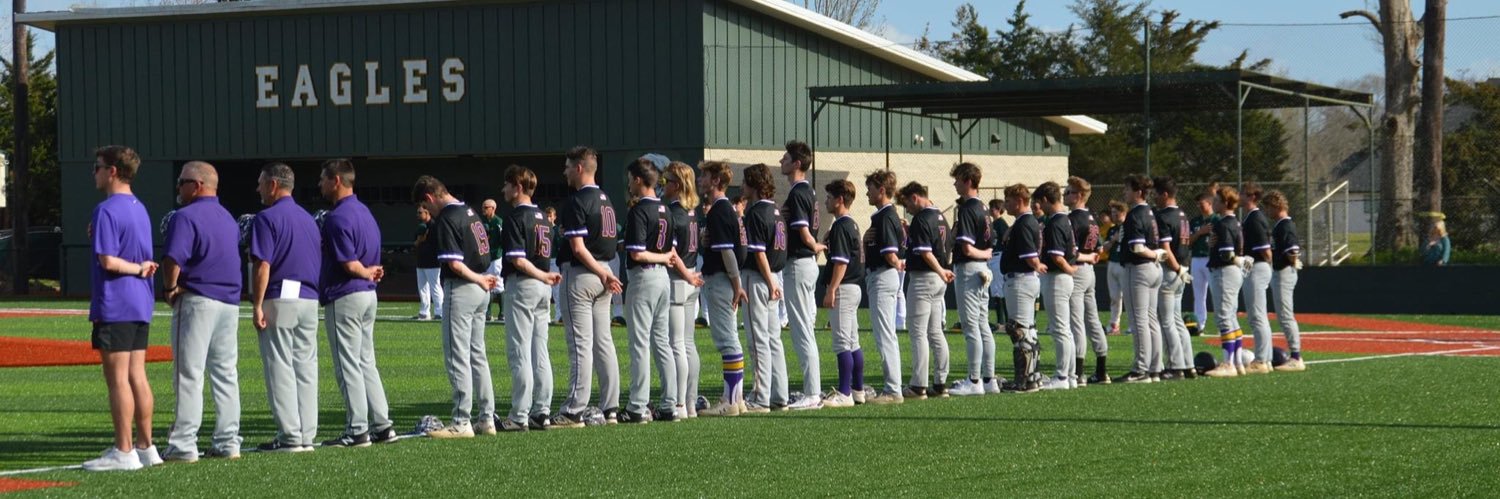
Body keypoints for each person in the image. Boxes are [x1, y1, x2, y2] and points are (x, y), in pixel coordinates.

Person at [83, 145, 161, 471]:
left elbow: (108, 260)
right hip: (140, 301)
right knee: (137, 376)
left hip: (116, 301)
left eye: (98, 166)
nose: (95, 172)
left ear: (112, 170)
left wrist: (138, 267)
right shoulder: (138, 207)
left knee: (117, 380)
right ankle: (145, 446)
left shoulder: (107, 209)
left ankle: (124, 450)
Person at [159, 161, 243, 463]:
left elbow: (172, 259)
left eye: (182, 182)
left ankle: (183, 444)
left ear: (197, 185)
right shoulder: (228, 218)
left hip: (197, 300)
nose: (178, 188)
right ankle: (228, 441)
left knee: (189, 373)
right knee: (225, 373)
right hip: (229, 303)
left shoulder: (186, 215)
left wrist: (169, 289)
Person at [317, 159, 396, 446]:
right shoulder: (365, 212)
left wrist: (363, 271)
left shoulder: (337, 217)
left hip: (346, 292)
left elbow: (350, 263)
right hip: (368, 294)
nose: (320, 184)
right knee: (365, 362)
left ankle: (357, 429)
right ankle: (382, 425)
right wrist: (369, 272)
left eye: (323, 179)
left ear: (336, 180)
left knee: (348, 364)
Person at [413, 175, 498, 437]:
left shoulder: (448, 216)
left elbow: (454, 264)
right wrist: (483, 280)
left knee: (457, 356)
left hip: (463, 287)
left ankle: (462, 421)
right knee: (477, 355)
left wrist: (478, 279)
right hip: (481, 288)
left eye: (426, 206)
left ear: (429, 198)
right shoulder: (471, 210)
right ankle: (486, 419)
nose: (428, 212)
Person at [249, 162, 323, 451]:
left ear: (273, 185)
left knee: (279, 366)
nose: (258, 188)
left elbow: (262, 264)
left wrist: (256, 304)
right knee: (306, 367)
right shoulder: (308, 219)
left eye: (260, 182)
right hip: (308, 298)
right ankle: (307, 433)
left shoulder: (266, 218)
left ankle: (290, 436)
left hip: (280, 296)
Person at [620, 159, 697, 423]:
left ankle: (637, 406)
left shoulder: (640, 210)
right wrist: (674, 265)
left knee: (641, 343)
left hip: (645, 277)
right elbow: (671, 250)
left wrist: (662, 259)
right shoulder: (666, 209)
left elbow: (638, 253)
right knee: (662, 342)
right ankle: (668, 404)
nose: (629, 183)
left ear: (640, 180)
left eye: (631, 179)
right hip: (664, 279)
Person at [553, 147, 624, 427]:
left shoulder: (577, 201)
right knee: (603, 342)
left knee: (581, 345)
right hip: (604, 271)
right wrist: (605, 274)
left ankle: (574, 409)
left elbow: (579, 249)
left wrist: (601, 273)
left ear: (580, 168)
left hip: (584, 274)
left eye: (569, 166)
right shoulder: (606, 199)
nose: (565, 171)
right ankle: (611, 407)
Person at [497, 165, 562, 432]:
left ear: (518, 186)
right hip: (541, 287)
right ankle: (541, 411)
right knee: (539, 350)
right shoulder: (543, 217)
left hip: (525, 284)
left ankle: (520, 414)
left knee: (519, 351)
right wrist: (545, 277)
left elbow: (517, 259)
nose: (504, 189)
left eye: (507, 184)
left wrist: (542, 276)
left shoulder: (516, 217)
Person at [697, 160, 750, 416]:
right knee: (732, 339)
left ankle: (730, 400)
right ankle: (736, 398)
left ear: (716, 180)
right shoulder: (727, 209)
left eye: (705, 175)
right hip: (726, 278)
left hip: (722, 279)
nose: (700, 179)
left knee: (727, 340)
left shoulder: (719, 209)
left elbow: (728, 252)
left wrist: (737, 284)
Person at [739, 163, 790, 412]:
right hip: (774, 276)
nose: (743, 186)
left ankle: (761, 396)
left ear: (755, 185)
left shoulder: (757, 212)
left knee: (758, 339)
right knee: (773, 339)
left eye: (746, 182)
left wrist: (770, 281)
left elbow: (758, 254)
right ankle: (779, 394)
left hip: (759, 279)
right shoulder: (776, 212)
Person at [779, 140, 825, 410]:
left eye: (786, 158)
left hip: (799, 262)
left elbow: (805, 233)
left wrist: (813, 244)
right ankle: (813, 390)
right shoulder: (808, 191)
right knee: (804, 328)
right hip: (806, 264)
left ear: (797, 164)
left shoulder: (798, 193)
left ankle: (812, 393)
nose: (781, 161)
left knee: (801, 330)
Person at [945, 163, 997, 397]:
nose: (955, 183)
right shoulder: (985, 208)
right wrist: (985, 254)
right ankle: (989, 379)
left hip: (969, 269)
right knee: (983, 325)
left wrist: (983, 253)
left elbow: (966, 248)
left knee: (971, 326)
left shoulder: (968, 208)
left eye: (957, 179)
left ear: (967, 180)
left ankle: (974, 380)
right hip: (982, 269)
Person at [1113, 175, 1165, 384]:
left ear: (1139, 192)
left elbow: (1137, 247)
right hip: (1153, 270)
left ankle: (1140, 368)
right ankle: (1155, 367)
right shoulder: (1150, 213)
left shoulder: (1135, 214)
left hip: (1139, 269)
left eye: (1128, 189)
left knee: (1138, 320)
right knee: (1151, 320)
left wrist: (1154, 254)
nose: (1124, 192)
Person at [663, 162, 704, 418]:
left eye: (667, 181)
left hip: (680, 279)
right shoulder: (691, 212)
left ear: (677, 184)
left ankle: (679, 403)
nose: (663, 185)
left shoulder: (674, 213)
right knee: (688, 344)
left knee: (677, 344)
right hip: (690, 280)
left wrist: (686, 273)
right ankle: (689, 403)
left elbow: (672, 253)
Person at [862, 171, 906, 405]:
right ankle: (893, 386)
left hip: (882, 275)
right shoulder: (883, 215)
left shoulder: (886, 215)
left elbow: (890, 253)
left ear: (881, 190)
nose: (867, 192)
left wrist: (896, 262)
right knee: (885, 333)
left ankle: (892, 389)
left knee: (885, 334)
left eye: (870, 187)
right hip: (881, 276)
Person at [819, 180, 863, 409]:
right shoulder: (851, 225)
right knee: (852, 341)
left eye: (829, 197)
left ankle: (845, 393)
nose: (826, 201)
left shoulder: (842, 226)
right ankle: (857, 390)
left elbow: (841, 263)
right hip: (854, 287)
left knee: (842, 342)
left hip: (844, 286)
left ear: (839, 200)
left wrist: (832, 289)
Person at [1028, 182, 1075, 390]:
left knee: (1060, 329)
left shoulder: (1056, 221)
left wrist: (1069, 269)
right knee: (1066, 329)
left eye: (1040, 202)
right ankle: (1071, 375)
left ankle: (1063, 376)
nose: (1039, 207)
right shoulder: (1064, 219)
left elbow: (1056, 256)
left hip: (1057, 278)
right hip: (1062, 278)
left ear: (1046, 200)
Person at [999, 183, 1045, 393]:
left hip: (1021, 279)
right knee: (1027, 329)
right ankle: (1032, 377)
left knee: (1019, 329)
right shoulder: (1025, 221)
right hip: (1024, 279)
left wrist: (1036, 265)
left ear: (1018, 201)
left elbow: (1029, 255)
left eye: (1008, 201)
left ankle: (1023, 381)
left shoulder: (1025, 222)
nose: (1005, 204)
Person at [1064, 177, 1108, 386]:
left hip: (1078, 269)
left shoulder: (1073, 219)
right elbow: (1099, 249)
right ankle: (1101, 369)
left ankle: (1079, 372)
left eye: (1069, 192)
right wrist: (1089, 256)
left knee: (1076, 322)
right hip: (1090, 271)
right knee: (1093, 319)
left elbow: (1070, 252)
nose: (1065, 195)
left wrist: (1083, 257)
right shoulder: (1091, 218)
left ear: (1079, 196)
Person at [1204, 186, 1250, 378]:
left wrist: (1216, 248)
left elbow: (1226, 253)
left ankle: (1228, 363)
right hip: (1233, 272)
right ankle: (1238, 362)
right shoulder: (1235, 222)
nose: (1213, 203)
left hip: (1224, 271)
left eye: (1216, 200)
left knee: (1223, 316)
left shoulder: (1223, 223)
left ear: (1225, 203)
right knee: (1231, 316)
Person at [1152, 177, 1195, 381]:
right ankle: (1188, 365)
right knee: (1177, 321)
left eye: (1156, 194)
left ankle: (1175, 366)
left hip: (1172, 271)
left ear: (1165, 195)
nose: (1155, 198)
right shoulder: (1183, 215)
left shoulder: (1163, 216)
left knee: (1166, 321)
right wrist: (1182, 270)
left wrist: (1177, 269)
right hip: (1182, 268)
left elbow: (1166, 249)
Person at [1264, 190, 1306, 372]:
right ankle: (1295, 354)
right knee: (1283, 315)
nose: (1267, 212)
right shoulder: (1281, 225)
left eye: (1268, 207)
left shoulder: (1285, 225)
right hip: (1281, 271)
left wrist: (1292, 260)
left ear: (1276, 206)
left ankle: (1296, 356)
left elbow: (1292, 249)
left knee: (1285, 315)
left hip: (1283, 272)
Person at [1238, 183, 1275, 375]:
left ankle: (1261, 359)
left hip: (1257, 267)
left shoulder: (1255, 218)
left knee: (1257, 316)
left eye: (1243, 193)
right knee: (1258, 315)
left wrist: (1268, 267)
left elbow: (1266, 250)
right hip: (1256, 267)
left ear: (1252, 196)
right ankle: (1265, 359)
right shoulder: (1251, 217)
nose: (1240, 196)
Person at [1187, 192, 1216, 334]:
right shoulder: (1195, 221)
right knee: (1199, 294)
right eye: (1197, 203)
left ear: (1210, 203)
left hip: (1212, 258)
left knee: (1216, 292)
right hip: (1197, 258)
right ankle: (1199, 324)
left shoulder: (1216, 219)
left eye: (1202, 202)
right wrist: (1200, 232)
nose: (1199, 205)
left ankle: (1223, 323)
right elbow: (1188, 241)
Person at [1104, 201, 1129, 335]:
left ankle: (1133, 325)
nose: (1113, 215)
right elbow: (1105, 248)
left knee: (1130, 296)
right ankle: (1115, 324)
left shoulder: (1129, 227)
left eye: (1116, 213)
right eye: (1112, 213)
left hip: (1124, 264)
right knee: (1114, 296)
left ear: (1124, 213)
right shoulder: (1112, 229)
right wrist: (1113, 240)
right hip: (1112, 263)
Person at [987, 199, 1010, 343]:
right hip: (992, 257)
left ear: (998, 210)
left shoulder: (1001, 224)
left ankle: (1004, 322)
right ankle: (1002, 321)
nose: (991, 210)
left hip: (999, 256)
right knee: (995, 289)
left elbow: (1005, 241)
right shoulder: (993, 224)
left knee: (999, 289)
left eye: (993, 208)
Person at [414, 206, 442, 321]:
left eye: (420, 212)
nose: (418, 215)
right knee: (422, 288)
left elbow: (438, 244)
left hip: (433, 262)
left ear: (427, 212)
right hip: (421, 260)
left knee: (435, 287)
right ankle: (424, 312)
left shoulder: (435, 226)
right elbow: (415, 242)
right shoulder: (420, 227)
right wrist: (420, 239)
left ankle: (439, 312)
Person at [481, 199, 505, 323]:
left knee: (498, 283)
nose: (483, 209)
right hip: (486, 257)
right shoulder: (483, 222)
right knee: (486, 284)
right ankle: (488, 312)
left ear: (493, 208)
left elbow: (502, 240)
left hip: (496, 256)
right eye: (483, 207)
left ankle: (502, 312)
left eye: (486, 207)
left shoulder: (498, 222)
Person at [545, 206, 563, 325]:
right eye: (547, 215)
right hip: (544, 262)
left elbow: (559, 246)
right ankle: (545, 317)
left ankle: (559, 315)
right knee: (545, 291)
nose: (549, 218)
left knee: (556, 290)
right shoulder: (542, 228)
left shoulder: (557, 230)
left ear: (554, 217)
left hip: (555, 260)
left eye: (551, 215)